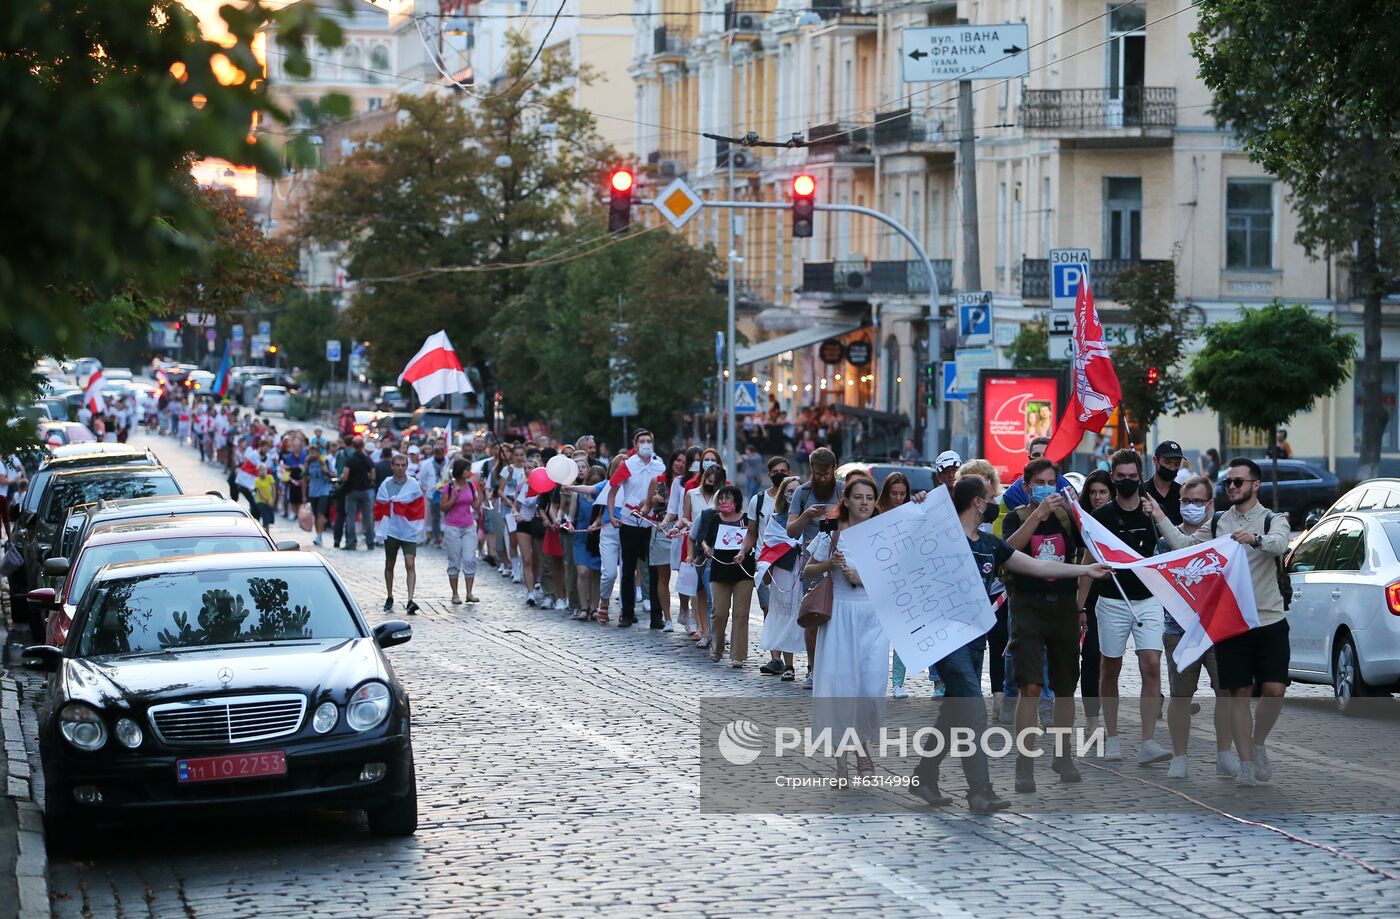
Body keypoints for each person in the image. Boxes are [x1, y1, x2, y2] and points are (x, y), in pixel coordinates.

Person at [913, 475, 1108, 810]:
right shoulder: (942, 537)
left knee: (952, 713)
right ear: (977, 502)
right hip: (947, 640)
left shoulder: (990, 544)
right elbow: (908, 546)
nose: (995, 502)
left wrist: (1084, 571)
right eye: (991, 497)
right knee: (973, 711)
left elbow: (1035, 564)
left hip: (975, 640)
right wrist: (920, 508)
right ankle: (980, 791)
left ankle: (924, 776)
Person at [1152, 458, 1290, 786]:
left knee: (1274, 690)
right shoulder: (1217, 524)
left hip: (1269, 618)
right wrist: (1159, 516)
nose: (1231, 486)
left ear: (1255, 485)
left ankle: (1257, 744)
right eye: (1228, 482)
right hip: (1232, 621)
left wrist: (1254, 539)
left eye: (1238, 482)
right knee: (1238, 692)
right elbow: (1185, 546)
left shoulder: (1273, 519)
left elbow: (1281, 545)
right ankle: (1244, 762)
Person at [1001, 457, 1086, 791]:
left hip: (1063, 607)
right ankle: (1025, 763)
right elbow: (1007, 552)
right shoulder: (1017, 517)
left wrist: (1077, 513)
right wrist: (1037, 515)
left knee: (1065, 688)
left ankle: (1063, 756)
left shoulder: (1067, 518)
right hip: (1028, 607)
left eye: (1052, 482)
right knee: (1031, 686)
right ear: (1027, 486)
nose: (1047, 488)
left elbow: (1090, 547)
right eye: (1040, 483)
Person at [803, 477, 887, 781]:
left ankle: (863, 748)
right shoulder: (832, 532)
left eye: (869, 497)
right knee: (840, 688)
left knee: (869, 687)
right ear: (847, 500)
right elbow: (807, 568)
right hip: (840, 616)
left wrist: (861, 577)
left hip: (872, 620)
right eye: (858, 497)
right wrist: (829, 565)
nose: (864, 502)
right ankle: (841, 764)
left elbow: (894, 576)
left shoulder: (881, 534)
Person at [1092, 448, 1171, 766]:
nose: (1127, 482)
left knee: (1151, 665)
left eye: (1133, 477)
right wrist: (1080, 606)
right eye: (1121, 477)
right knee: (1109, 668)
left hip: (1148, 598)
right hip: (1112, 600)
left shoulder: (1154, 511)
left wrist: (1159, 517)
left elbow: (1172, 547)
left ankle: (1148, 741)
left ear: (1141, 477)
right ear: (1112, 478)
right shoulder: (1102, 517)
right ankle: (1111, 738)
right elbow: (1089, 561)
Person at [787, 446, 843, 689]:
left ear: (834, 469)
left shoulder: (842, 489)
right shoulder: (802, 492)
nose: (822, 478)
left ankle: (833, 668)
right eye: (818, 474)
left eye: (826, 474)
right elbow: (791, 530)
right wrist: (807, 516)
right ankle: (812, 668)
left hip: (840, 559)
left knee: (837, 619)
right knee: (812, 616)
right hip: (813, 562)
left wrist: (833, 519)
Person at [608, 429, 667, 628]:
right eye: (641, 440)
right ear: (635, 443)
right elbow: (613, 488)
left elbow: (665, 492)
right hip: (630, 521)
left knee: (654, 569)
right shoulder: (628, 465)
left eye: (648, 440)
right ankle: (627, 612)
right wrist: (611, 515)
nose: (645, 443)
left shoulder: (659, 465)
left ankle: (656, 616)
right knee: (628, 569)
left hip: (652, 523)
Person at [694, 484, 754, 667]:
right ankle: (717, 648)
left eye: (727, 498)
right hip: (720, 569)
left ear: (735, 500)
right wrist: (705, 548)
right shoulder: (715, 519)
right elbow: (705, 539)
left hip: (743, 569)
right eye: (720, 498)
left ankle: (738, 655)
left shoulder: (746, 519)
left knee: (741, 613)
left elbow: (752, 536)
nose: (722, 501)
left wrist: (743, 552)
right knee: (719, 612)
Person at [756, 475, 804, 681]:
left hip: (804, 569)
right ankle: (788, 665)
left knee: (805, 615)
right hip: (784, 570)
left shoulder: (809, 517)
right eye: (789, 490)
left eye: (797, 490)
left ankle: (812, 666)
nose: (793, 494)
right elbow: (771, 543)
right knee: (784, 615)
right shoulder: (776, 519)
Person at [1077, 469, 1113, 738]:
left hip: (1113, 596)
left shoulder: (1116, 520)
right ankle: (1092, 718)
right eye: (1093, 492)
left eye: (1103, 492)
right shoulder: (1078, 522)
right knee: (1090, 657)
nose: (1098, 497)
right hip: (1085, 597)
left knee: (1109, 659)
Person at [748, 455, 792, 675]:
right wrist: (742, 552)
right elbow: (751, 532)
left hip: (791, 562)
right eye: (775, 471)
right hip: (765, 562)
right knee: (769, 610)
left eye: (783, 470)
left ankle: (790, 658)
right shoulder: (758, 501)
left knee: (787, 611)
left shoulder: (797, 498)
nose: (779, 474)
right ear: (769, 474)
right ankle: (776, 658)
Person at [375, 453, 424, 615]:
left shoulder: (413, 484)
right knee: (390, 563)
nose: (400, 468)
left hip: (408, 529)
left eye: (403, 465)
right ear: (392, 466)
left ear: (407, 466)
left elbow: (418, 505)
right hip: (392, 530)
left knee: (410, 563)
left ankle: (410, 599)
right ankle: (389, 596)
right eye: (397, 465)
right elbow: (379, 504)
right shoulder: (386, 484)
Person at [441, 457, 482, 605]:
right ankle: (455, 593)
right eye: (466, 470)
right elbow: (444, 507)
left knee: (470, 558)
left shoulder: (470, 486)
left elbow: (476, 506)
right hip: (453, 526)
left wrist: (481, 491)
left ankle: (469, 592)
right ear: (459, 471)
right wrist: (454, 497)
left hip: (468, 525)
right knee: (454, 561)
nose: (469, 472)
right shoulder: (449, 487)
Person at [342, 436, 377, 551]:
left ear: (352, 445)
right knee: (367, 517)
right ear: (363, 446)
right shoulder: (367, 459)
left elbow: (345, 476)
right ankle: (370, 542)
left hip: (352, 491)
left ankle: (351, 542)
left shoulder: (350, 460)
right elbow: (373, 476)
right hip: (365, 491)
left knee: (351, 518)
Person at [1145, 441, 1184, 525]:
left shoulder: (1183, 494)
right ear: (1155, 460)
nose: (1172, 468)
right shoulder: (1142, 491)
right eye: (1167, 462)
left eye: (1176, 464)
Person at [419, 441, 448, 548]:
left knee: (447, 517)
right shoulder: (426, 463)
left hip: (447, 494)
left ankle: (447, 538)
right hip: (433, 494)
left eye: (441, 451)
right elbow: (422, 479)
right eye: (436, 452)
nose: (439, 454)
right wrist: (426, 488)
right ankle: (437, 539)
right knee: (436, 517)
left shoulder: (449, 462)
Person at [305, 443, 335, 546]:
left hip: (323, 491)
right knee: (316, 515)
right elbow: (304, 477)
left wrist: (326, 471)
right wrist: (304, 495)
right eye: (310, 452)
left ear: (318, 453)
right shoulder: (308, 462)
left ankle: (319, 536)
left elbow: (333, 474)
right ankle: (318, 534)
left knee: (320, 514)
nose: (312, 454)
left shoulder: (325, 461)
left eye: (314, 452)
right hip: (313, 491)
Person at [253, 464, 277, 529]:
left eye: (264, 470)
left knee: (268, 521)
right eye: (260, 470)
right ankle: (266, 534)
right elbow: (260, 492)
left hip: (270, 501)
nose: (263, 471)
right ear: (258, 472)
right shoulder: (257, 481)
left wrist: (273, 500)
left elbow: (273, 488)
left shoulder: (269, 477)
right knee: (266, 521)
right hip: (262, 502)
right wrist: (268, 501)